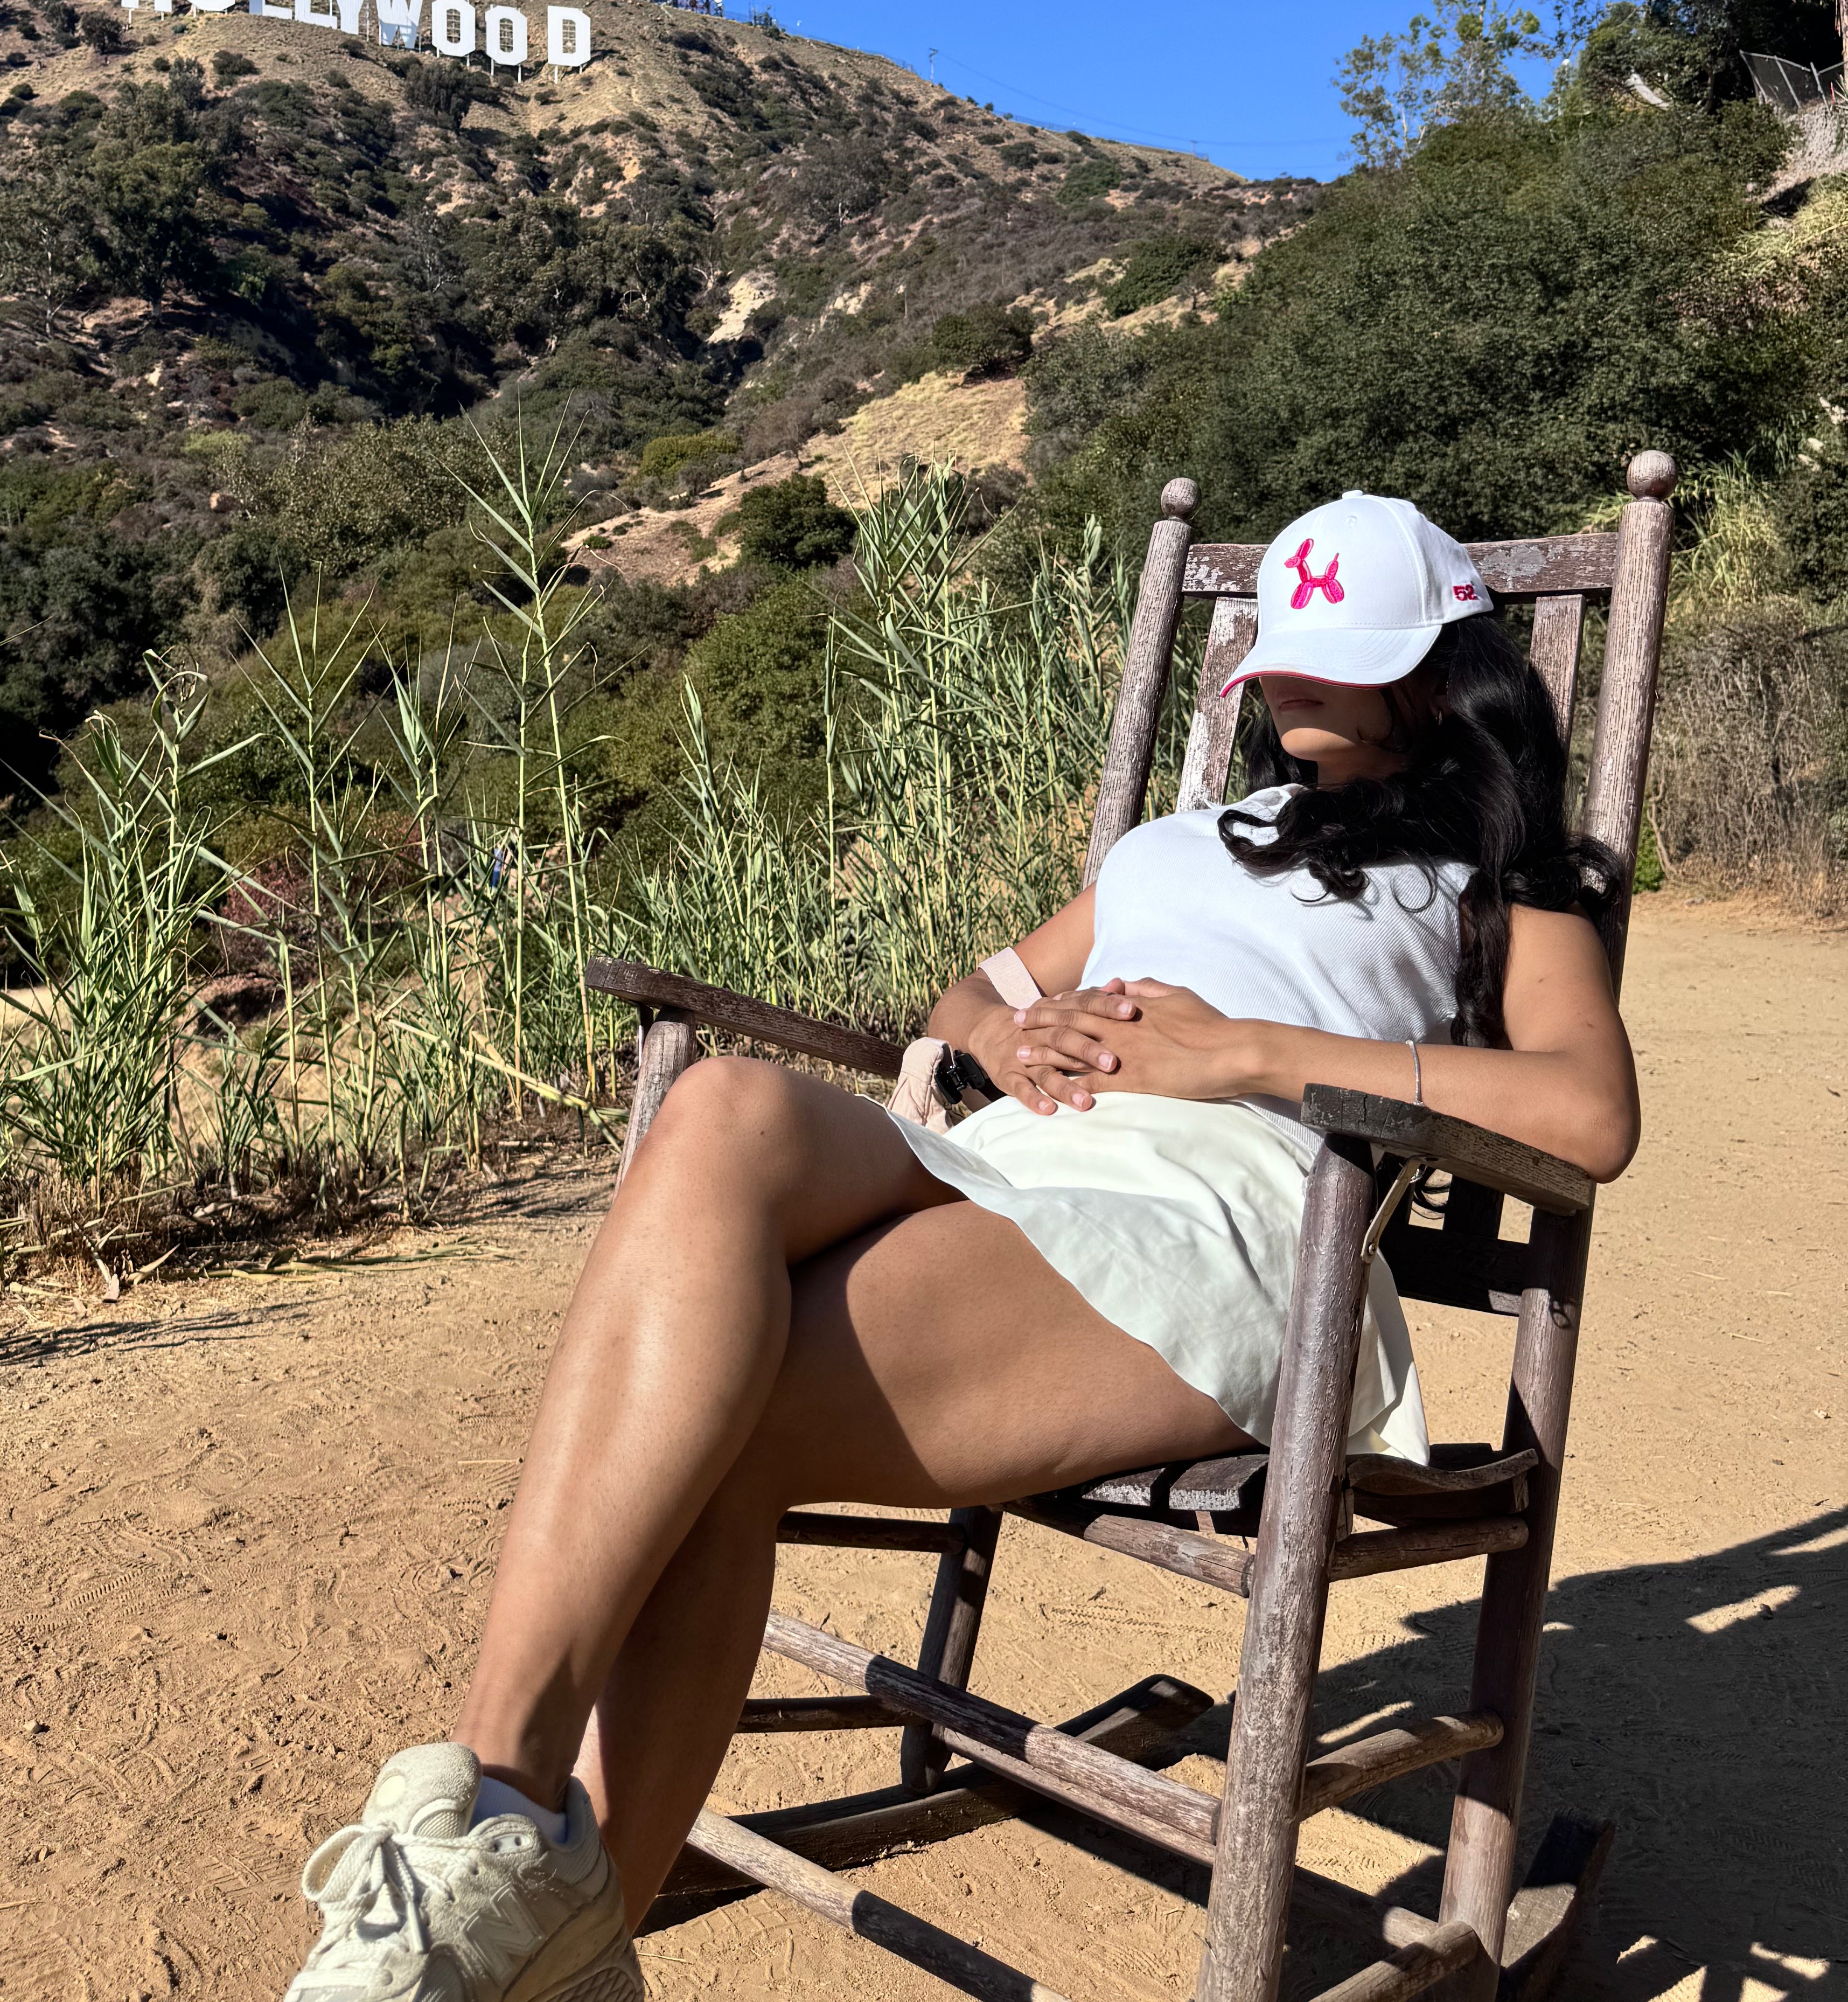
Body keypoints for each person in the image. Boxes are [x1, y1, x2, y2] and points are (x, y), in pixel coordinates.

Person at [281, 492, 1638, 2002]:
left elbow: (1585, 1116)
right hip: (1005, 1165)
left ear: (1443, 677)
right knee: (727, 1107)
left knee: (701, 1431)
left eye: (1337, 656)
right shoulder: (1177, 844)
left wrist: (1242, 1052)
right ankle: (503, 1823)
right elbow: (959, 1001)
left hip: (1222, 1212)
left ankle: (499, 1883)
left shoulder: (1500, 884)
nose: (1284, 683)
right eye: (1280, 659)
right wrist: (1012, 1028)